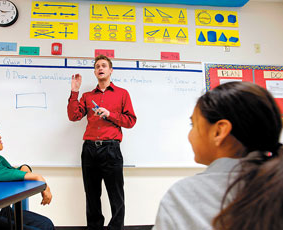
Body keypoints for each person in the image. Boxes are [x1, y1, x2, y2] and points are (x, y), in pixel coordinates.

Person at [153, 81, 283, 230]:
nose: (190, 134)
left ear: (219, 132)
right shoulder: (274, 182)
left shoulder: (185, 196)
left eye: (193, 125)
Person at [67, 55, 137, 230]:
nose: (100, 68)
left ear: (110, 70)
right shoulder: (87, 96)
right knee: (91, 196)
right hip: (89, 149)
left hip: (111, 149)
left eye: (104, 65)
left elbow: (130, 121)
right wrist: (74, 91)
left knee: (116, 196)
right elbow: (73, 116)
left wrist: (109, 114)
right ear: (95, 72)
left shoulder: (122, 94)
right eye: (97, 66)